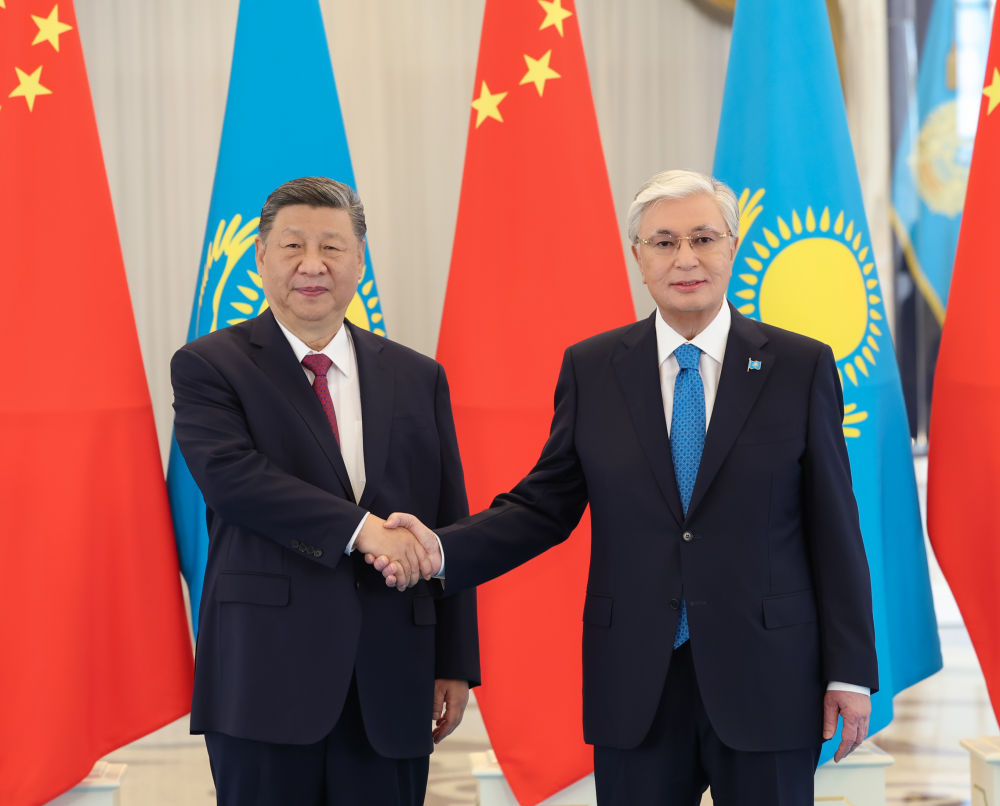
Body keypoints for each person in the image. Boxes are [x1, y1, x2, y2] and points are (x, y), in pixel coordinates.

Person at [379, 169, 878, 805]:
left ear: (732, 246)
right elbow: (543, 506)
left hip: (769, 675)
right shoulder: (593, 369)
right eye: (664, 242)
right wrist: (441, 548)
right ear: (638, 257)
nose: (685, 258)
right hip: (637, 681)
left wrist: (849, 670)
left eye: (703, 238)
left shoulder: (800, 366)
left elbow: (834, 526)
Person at [171, 176, 480, 806]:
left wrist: (454, 660)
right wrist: (364, 532)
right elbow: (234, 482)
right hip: (264, 674)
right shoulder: (209, 365)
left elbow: (448, 518)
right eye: (293, 246)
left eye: (332, 248)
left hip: (393, 673)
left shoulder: (418, 375)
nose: (312, 265)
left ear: (359, 261)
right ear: (261, 258)